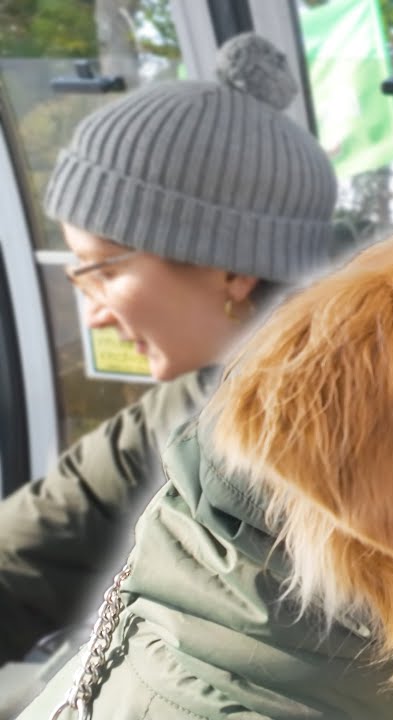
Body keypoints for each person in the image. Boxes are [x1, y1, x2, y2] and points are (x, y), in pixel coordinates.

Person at [0, 32, 339, 664]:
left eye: (102, 269)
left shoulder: (388, 421)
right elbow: (40, 537)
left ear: (232, 266)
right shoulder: (189, 404)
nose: (92, 314)